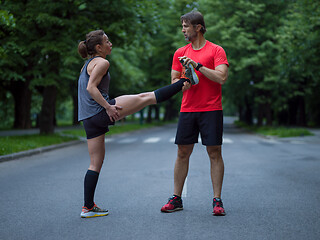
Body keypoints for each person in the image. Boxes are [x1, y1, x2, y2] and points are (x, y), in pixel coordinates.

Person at [77, 29, 196, 218]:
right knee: (145, 97)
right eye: (107, 41)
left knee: (95, 163)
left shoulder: (87, 64)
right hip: (100, 112)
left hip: (88, 118)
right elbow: (91, 88)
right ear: (98, 47)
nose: (111, 44)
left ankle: (87, 207)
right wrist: (108, 107)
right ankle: (185, 81)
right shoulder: (102, 62)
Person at [160, 11, 229, 216]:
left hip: (211, 109)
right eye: (182, 26)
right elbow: (174, 81)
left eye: (186, 26)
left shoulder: (216, 50)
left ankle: (217, 201)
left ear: (198, 27)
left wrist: (198, 66)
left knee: (214, 153)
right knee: (182, 153)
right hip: (188, 109)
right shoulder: (179, 52)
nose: (183, 30)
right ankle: (176, 198)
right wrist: (184, 83)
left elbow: (221, 77)